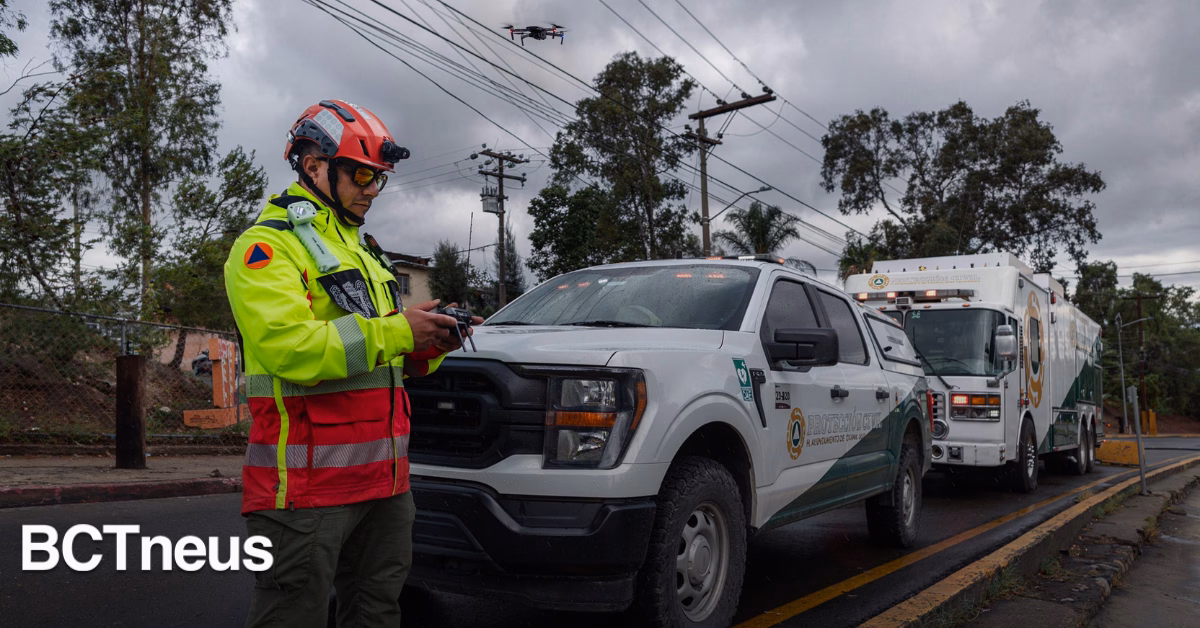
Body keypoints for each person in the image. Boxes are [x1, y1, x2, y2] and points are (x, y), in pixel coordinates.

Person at [224, 99, 480, 627]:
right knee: (290, 616)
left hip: (385, 486)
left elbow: (388, 360)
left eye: (378, 178)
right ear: (313, 165)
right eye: (362, 174)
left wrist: (430, 344)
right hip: (306, 491)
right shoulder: (267, 249)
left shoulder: (366, 253)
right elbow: (291, 350)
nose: (372, 189)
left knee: (376, 613)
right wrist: (398, 329)